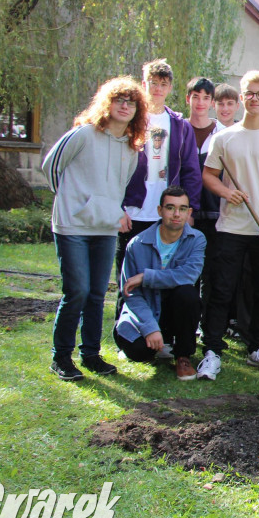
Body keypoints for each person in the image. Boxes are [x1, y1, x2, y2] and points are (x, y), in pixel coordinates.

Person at [42, 76, 148, 381]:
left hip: (104, 229)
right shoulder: (84, 134)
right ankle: (61, 357)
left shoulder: (131, 149)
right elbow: (51, 167)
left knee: (97, 293)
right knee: (76, 291)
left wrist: (109, 211)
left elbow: (118, 188)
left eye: (132, 103)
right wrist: (72, 202)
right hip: (72, 226)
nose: (125, 106)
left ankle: (90, 355)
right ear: (108, 103)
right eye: (120, 100)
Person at [196, 71, 259, 381]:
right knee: (221, 290)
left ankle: (257, 347)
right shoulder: (224, 138)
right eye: (248, 94)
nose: (254, 99)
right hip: (230, 227)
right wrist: (227, 192)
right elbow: (209, 175)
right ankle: (212, 350)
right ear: (242, 98)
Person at [116, 59, 203, 321]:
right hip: (132, 210)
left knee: (164, 272)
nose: (157, 89)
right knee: (128, 273)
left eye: (163, 84)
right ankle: (125, 329)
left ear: (170, 88)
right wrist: (117, 208)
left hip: (165, 213)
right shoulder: (131, 119)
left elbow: (191, 170)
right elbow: (115, 169)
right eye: (153, 83)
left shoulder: (179, 125)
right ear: (144, 84)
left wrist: (189, 209)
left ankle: (163, 331)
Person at [114, 186, 206, 380]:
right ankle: (157, 342)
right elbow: (131, 295)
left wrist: (146, 277)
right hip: (146, 311)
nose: (176, 214)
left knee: (188, 294)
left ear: (189, 212)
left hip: (174, 309)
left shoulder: (196, 239)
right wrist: (149, 328)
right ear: (160, 211)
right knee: (139, 352)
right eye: (170, 208)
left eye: (182, 209)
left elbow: (189, 274)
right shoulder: (137, 244)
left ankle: (182, 356)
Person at [185, 77, 224, 335]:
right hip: (183, 215)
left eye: (205, 98)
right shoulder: (178, 129)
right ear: (188, 99)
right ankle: (183, 325)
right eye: (195, 96)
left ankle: (206, 328)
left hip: (214, 214)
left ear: (212, 102)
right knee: (186, 273)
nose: (200, 102)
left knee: (210, 274)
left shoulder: (222, 133)